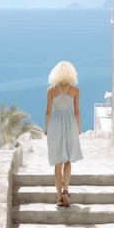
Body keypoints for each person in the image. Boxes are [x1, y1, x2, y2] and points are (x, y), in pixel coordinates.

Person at [44, 60, 83, 207]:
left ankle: (59, 198)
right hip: (70, 123)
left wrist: (46, 128)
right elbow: (77, 112)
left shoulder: (51, 90)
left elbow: (48, 111)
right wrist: (78, 128)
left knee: (57, 162)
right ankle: (66, 189)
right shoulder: (75, 91)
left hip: (55, 124)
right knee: (68, 160)